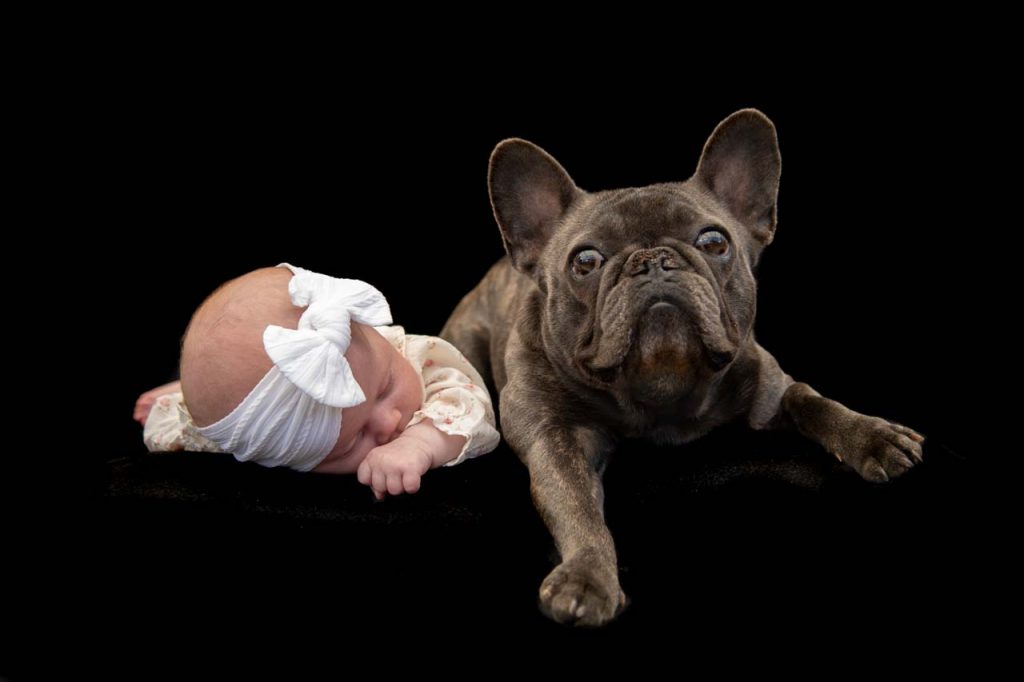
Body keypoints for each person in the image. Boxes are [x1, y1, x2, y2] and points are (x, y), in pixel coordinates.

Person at [136, 263, 500, 499]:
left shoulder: (420, 360)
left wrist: (419, 445)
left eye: (387, 385)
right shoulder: (257, 434)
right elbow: (202, 432)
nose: (390, 422)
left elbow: (468, 405)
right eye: (353, 439)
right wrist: (186, 401)